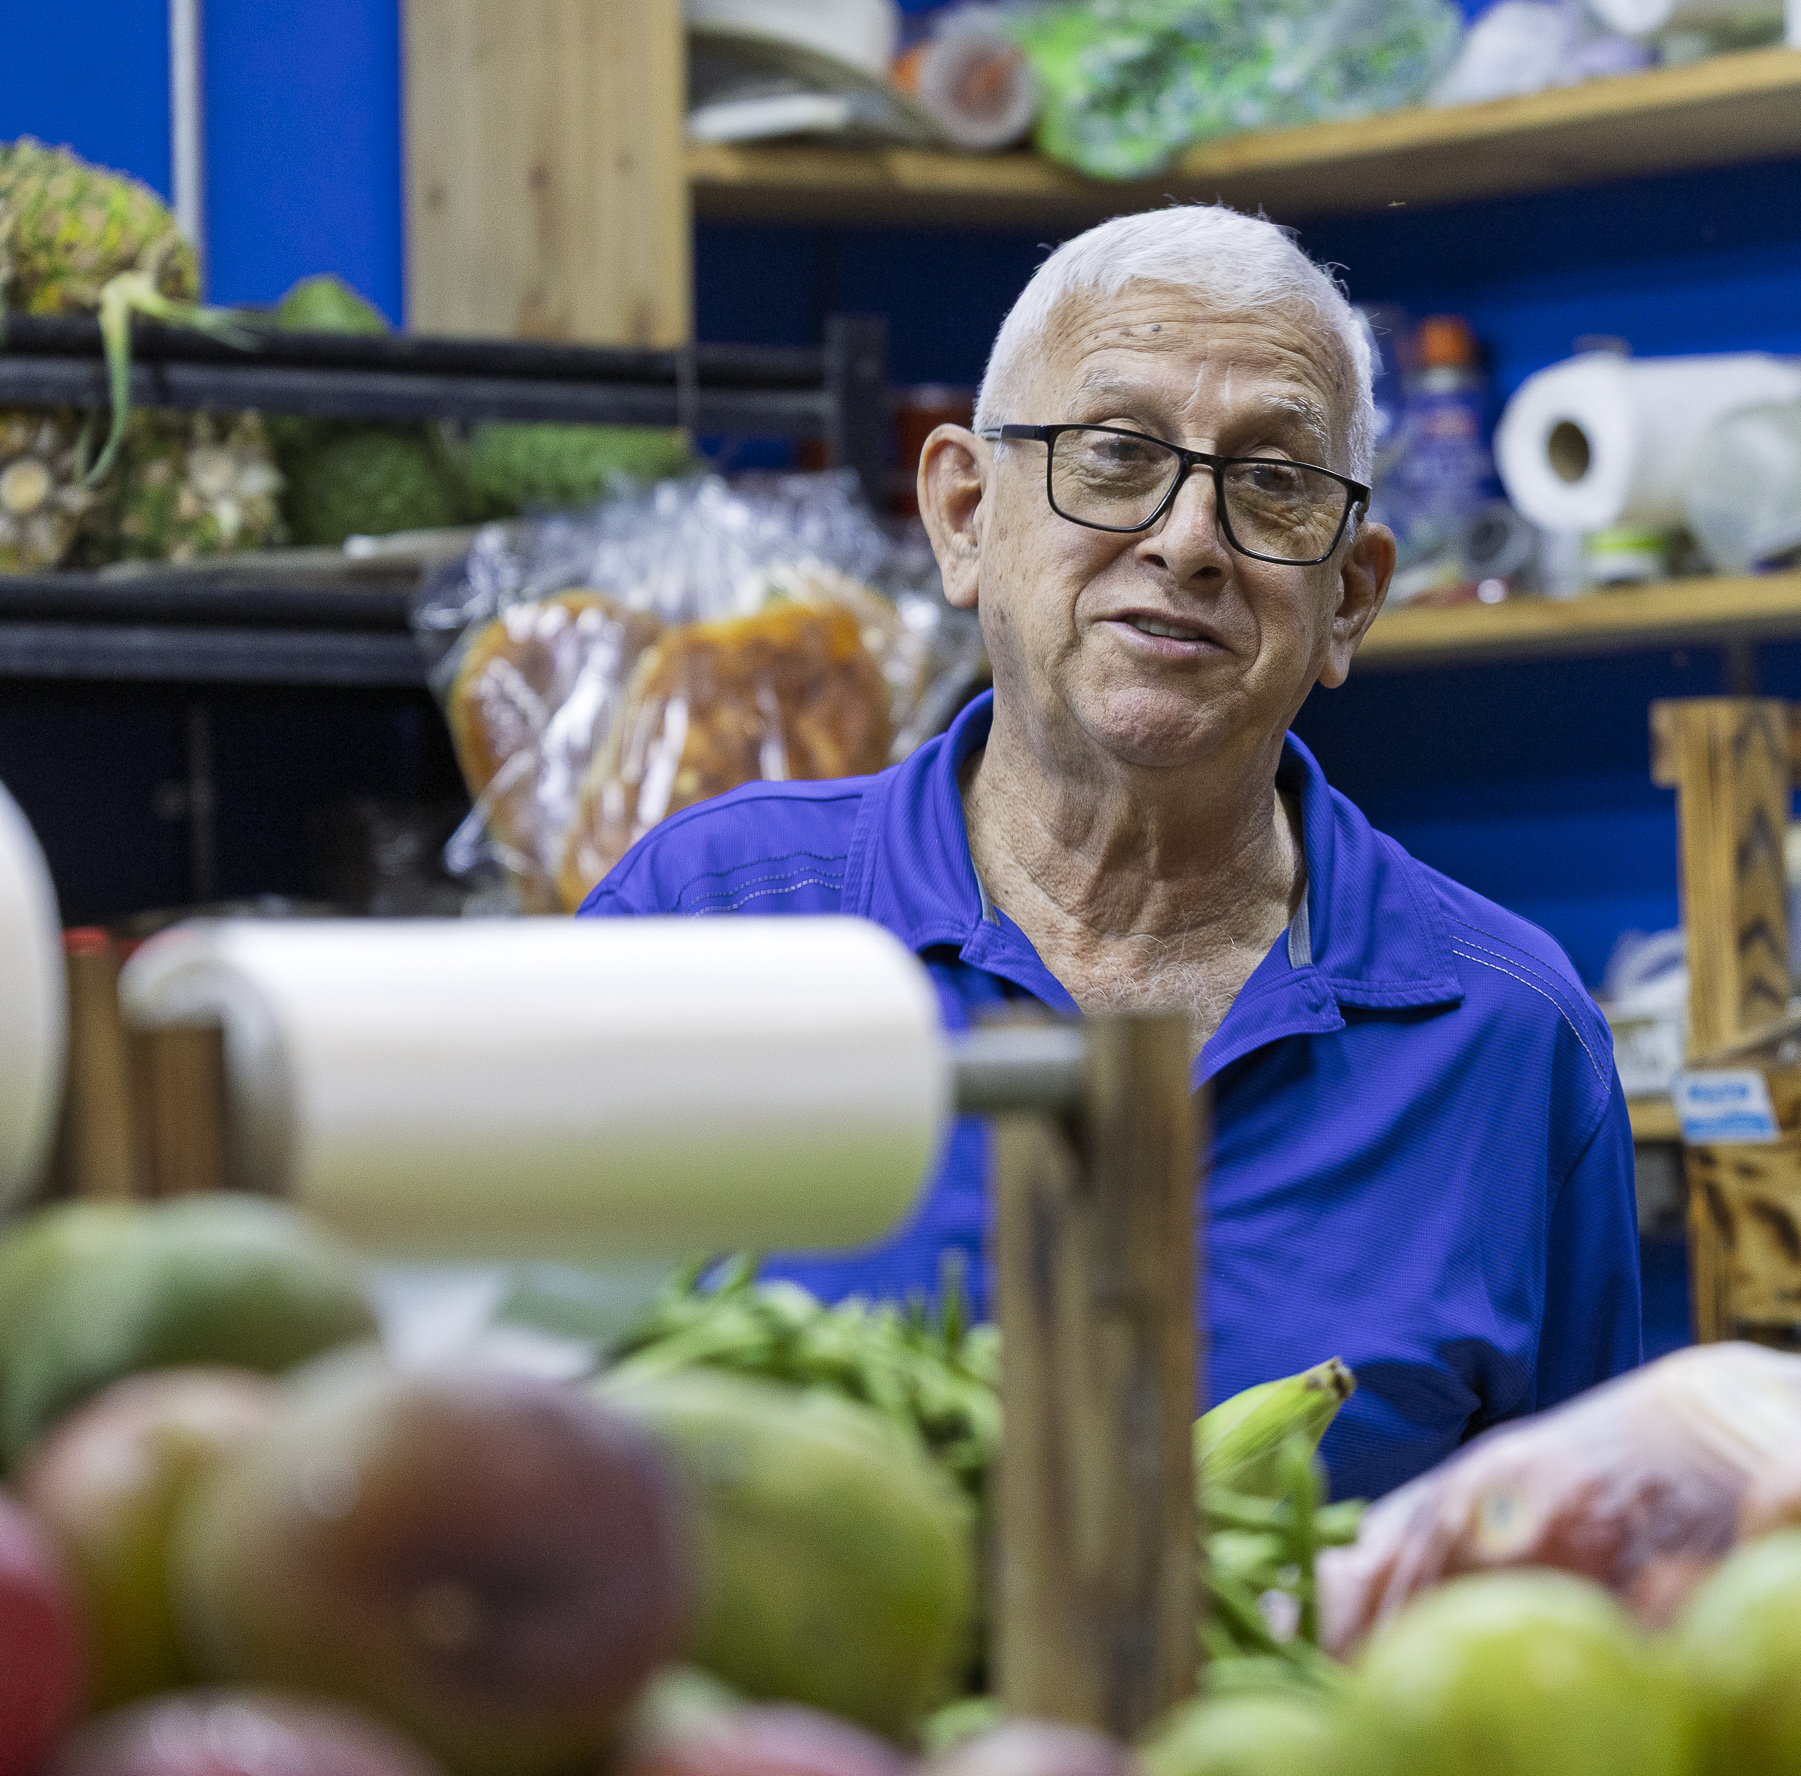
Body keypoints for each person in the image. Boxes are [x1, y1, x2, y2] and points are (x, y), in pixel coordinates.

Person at [580, 206, 1646, 1496]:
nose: (1189, 538)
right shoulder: (704, 928)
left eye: (1275, 481)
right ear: (965, 516)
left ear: (1351, 597)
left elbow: (1575, 1574)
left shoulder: (1508, 1037)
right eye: (1115, 454)